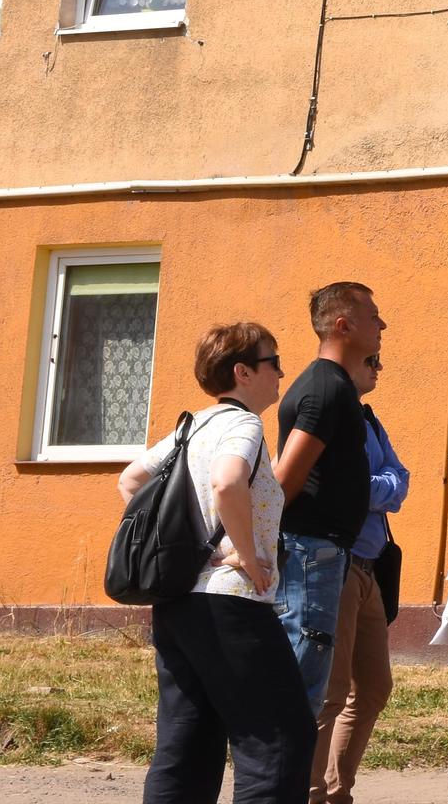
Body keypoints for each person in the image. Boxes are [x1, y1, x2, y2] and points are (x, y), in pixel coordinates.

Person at [120, 322, 316, 804]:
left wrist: (198, 551)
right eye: (274, 362)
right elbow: (228, 483)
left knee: (187, 742)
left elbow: (129, 481)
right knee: (280, 739)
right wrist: (248, 558)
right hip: (233, 604)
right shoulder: (243, 424)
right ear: (243, 372)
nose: (282, 372)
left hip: (180, 603)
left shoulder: (194, 426)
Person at [274, 282, 387, 713]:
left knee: (310, 685)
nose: (382, 324)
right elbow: (285, 479)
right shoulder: (327, 388)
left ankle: (290, 778)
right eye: (372, 315)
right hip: (311, 552)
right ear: (342, 326)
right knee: (302, 688)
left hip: (323, 551)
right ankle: (286, 780)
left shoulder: (335, 385)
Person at [312, 349, 406, 804]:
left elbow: (400, 478)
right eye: (372, 361)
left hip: (371, 568)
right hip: (338, 563)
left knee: (372, 687)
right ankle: (313, 793)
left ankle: (336, 790)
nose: (379, 369)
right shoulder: (331, 411)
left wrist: (375, 486)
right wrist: (376, 485)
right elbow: (341, 483)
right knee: (330, 692)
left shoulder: (369, 419)